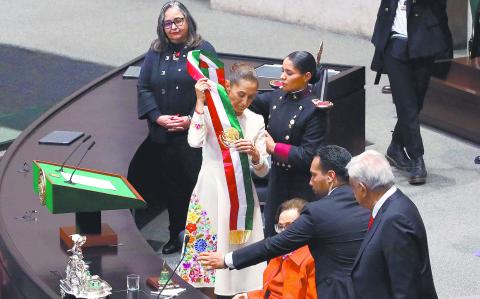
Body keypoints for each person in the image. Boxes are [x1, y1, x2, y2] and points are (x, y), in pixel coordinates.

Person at [198, 145, 370, 299]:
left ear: (331, 176)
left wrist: (227, 259)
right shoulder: (367, 200)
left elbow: (274, 245)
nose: (310, 182)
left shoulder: (319, 212)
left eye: (313, 175)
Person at [127, 1, 216, 254]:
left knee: (195, 188)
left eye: (179, 21)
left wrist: (191, 118)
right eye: (168, 23)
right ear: (161, 26)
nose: (174, 26)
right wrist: (157, 117)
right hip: (164, 135)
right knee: (172, 188)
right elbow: (144, 87)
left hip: (194, 135)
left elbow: (213, 90)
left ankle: (200, 241)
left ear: (188, 22)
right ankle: (176, 236)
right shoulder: (155, 51)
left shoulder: (203, 49)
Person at [177, 63, 268, 296]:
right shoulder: (210, 113)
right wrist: (199, 103)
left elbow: (262, 171)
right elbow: (194, 141)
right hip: (211, 191)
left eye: (251, 97)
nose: (245, 102)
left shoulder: (256, 120)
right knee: (207, 254)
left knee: (242, 257)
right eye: (241, 94)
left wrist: (256, 154)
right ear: (227, 86)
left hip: (242, 198)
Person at [372, 0, 452, 185]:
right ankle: (417, 158)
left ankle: (396, 146)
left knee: (415, 103)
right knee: (406, 105)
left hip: (423, 43)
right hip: (393, 45)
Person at [249, 51, 328, 236]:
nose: (282, 76)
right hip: (277, 181)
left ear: (307, 76)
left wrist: (274, 147)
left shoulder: (314, 110)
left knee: (296, 236)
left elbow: (308, 155)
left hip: (301, 184)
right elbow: (249, 103)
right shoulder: (277, 96)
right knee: (272, 232)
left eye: (289, 73)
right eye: (283, 70)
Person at [347, 150, 437, 298]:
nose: (352, 193)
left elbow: (405, 289)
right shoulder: (390, 204)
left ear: (363, 189)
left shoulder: (395, 220)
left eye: (353, 187)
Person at [233, 198, 317, 299]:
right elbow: (270, 292)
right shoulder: (278, 253)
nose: (284, 232)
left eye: (290, 226)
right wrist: (249, 296)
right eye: (281, 227)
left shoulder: (312, 260)